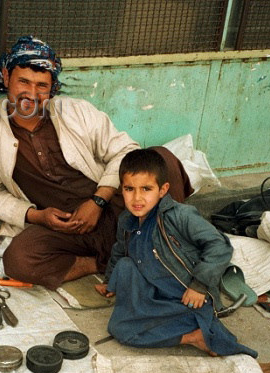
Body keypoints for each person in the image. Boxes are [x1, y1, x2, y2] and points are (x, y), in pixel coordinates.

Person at [0, 36, 192, 289]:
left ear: (52, 88)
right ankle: (106, 262)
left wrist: (98, 201)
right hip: (63, 227)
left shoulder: (76, 111)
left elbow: (126, 151)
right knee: (19, 260)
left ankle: (163, 244)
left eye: (42, 86)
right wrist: (37, 216)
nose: (31, 94)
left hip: (115, 209)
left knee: (160, 159)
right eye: (23, 81)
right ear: (7, 77)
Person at [95, 148, 257, 357]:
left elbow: (219, 245)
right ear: (121, 190)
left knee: (122, 330)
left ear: (163, 190)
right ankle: (160, 321)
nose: (137, 198)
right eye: (129, 189)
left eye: (146, 189)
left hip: (185, 298)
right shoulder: (127, 221)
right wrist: (110, 281)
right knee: (125, 267)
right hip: (152, 294)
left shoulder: (180, 215)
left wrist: (199, 286)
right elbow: (119, 251)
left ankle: (193, 336)